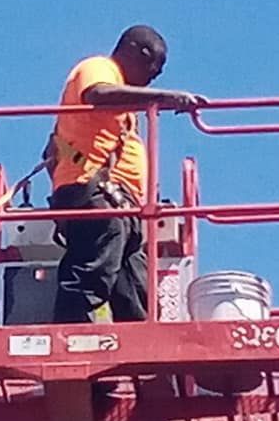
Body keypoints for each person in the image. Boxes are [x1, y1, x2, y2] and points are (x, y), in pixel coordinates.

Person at [47, 25, 202, 323]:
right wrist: (164, 98)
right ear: (135, 51)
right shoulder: (98, 68)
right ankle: (68, 336)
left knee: (135, 292)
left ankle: (146, 348)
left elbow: (51, 150)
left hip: (119, 205)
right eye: (155, 63)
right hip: (97, 196)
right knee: (91, 273)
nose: (155, 74)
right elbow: (97, 94)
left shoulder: (125, 109)